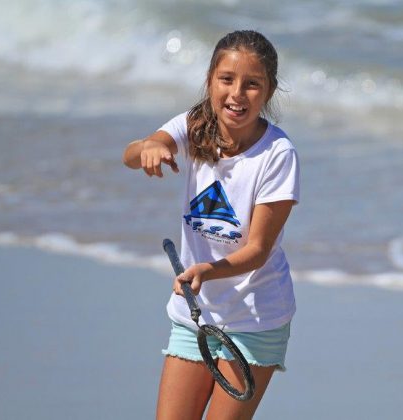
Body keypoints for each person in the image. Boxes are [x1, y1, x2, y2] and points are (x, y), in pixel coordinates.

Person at [122, 30, 299, 419]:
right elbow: (131, 155)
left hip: (256, 318)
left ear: (268, 92)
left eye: (252, 84)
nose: (237, 94)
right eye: (227, 80)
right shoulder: (195, 124)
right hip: (194, 312)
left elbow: (257, 250)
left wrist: (207, 269)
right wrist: (150, 146)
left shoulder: (278, 155)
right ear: (210, 82)